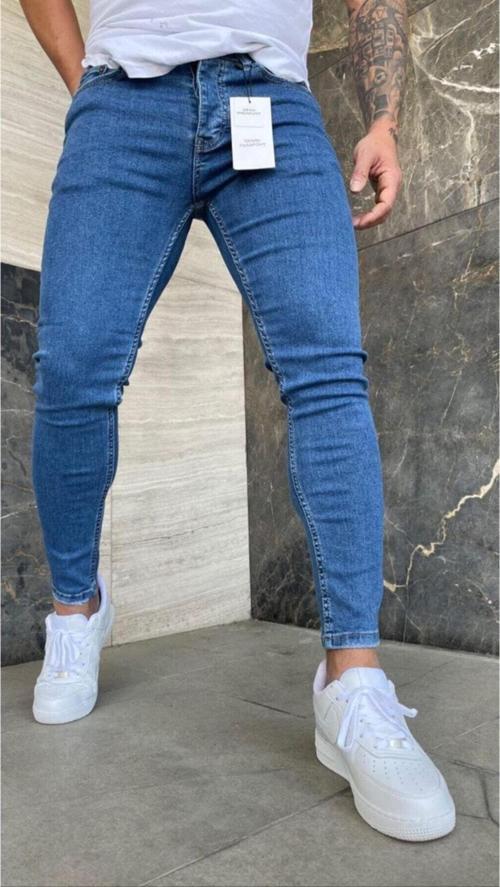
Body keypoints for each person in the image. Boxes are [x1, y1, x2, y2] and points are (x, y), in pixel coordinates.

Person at [21, 0, 455, 841]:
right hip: (122, 98)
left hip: (271, 102)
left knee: (328, 369)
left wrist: (384, 120)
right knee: (73, 367)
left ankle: (353, 684)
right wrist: (87, 89)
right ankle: (76, 610)